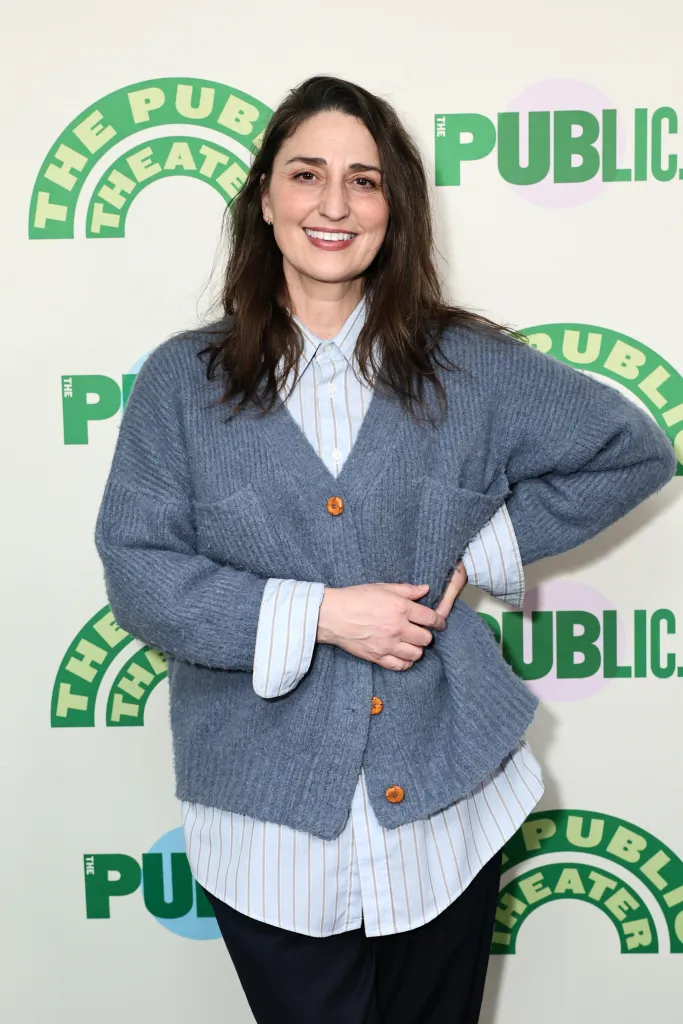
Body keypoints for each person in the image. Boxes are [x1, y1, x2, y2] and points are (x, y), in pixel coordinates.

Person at [94, 75, 676, 1024]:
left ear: (394, 209)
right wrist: (323, 614)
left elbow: (629, 450)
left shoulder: (467, 368)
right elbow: (141, 571)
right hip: (265, 819)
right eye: (307, 174)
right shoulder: (180, 384)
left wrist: (479, 549)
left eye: (364, 182)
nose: (334, 204)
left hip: (445, 806)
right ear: (265, 200)